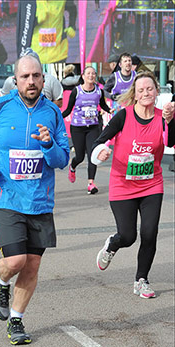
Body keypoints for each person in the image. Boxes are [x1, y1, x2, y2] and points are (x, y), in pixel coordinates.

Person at [0, 54, 69, 344]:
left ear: (44, 78)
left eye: (37, 76)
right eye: (26, 76)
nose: (32, 81)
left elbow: (62, 158)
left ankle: (16, 321)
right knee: (16, 260)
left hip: (39, 200)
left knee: (32, 265)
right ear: (15, 79)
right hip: (5, 196)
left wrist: (48, 144)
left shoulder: (53, 113)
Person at [91, 71, 175, 298]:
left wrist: (170, 121)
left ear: (157, 91)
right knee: (128, 236)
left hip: (151, 185)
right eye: (141, 90)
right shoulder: (124, 116)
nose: (146, 92)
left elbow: (171, 142)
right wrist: (101, 152)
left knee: (149, 233)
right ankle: (112, 244)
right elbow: (99, 142)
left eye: (150, 88)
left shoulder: (162, 116)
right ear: (135, 95)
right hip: (122, 185)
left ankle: (141, 280)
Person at [62, 66, 112, 194]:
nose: (91, 76)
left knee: (92, 155)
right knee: (79, 156)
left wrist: (109, 110)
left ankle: (91, 183)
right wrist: (57, 116)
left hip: (93, 127)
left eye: (93, 74)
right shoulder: (76, 91)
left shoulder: (99, 91)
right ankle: (72, 167)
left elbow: (103, 105)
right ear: (83, 76)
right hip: (78, 128)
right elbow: (68, 109)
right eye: (88, 73)